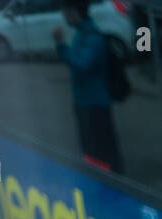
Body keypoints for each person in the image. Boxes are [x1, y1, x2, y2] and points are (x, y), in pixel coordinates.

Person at [53, 0, 123, 174]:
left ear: (75, 12)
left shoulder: (92, 37)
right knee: (92, 149)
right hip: (84, 102)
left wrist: (61, 46)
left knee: (100, 150)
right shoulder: (81, 34)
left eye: (66, 11)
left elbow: (82, 65)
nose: (64, 15)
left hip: (94, 104)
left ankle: (109, 181)